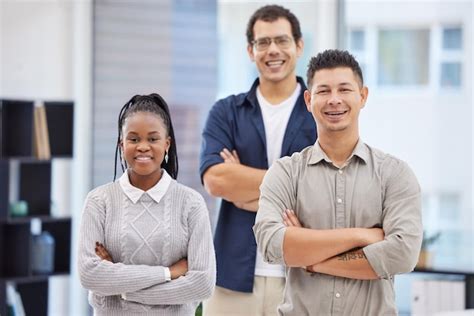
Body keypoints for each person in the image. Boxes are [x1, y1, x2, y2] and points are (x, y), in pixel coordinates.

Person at [254, 49, 423, 315]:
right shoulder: (285, 173)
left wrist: (311, 260)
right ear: (309, 100)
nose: (334, 100)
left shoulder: (395, 174)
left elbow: (402, 253)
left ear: (363, 96)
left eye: (344, 89)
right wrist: (362, 236)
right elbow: (271, 245)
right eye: (323, 91)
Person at [199, 4, 317, 316]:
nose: (272, 50)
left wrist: (245, 186)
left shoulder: (320, 115)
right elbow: (216, 180)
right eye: (263, 42)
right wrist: (289, 190)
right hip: (232, 278)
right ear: (251, 51)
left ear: (299, 46)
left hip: (301, 277)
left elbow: (325, 190)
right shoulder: (226, 112)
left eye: (282, 40)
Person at [78, 93, 216, 315]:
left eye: (152, 139)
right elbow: (89, 275)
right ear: (121, 144)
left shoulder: (191, 204)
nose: (143, 146)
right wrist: (170, 273)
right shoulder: (99, 201)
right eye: (133, 139)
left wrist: (123, 289)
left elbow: (202, 283)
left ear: (167, 144)